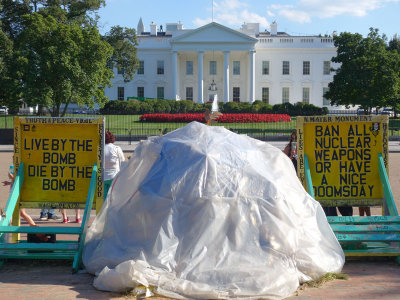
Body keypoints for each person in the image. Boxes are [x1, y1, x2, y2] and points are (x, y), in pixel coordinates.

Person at [104, 131, 125, 198]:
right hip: (114, 176)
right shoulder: (116, 148)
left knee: (104, 199)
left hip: (102, 177)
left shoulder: (100, 149)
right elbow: (122, 161)